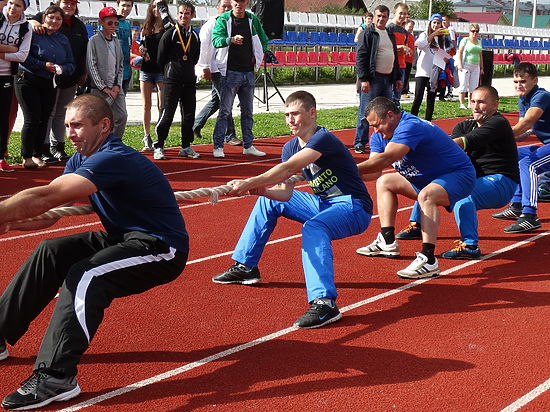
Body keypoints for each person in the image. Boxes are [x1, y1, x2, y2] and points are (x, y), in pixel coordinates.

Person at [0, 94, 189, 410]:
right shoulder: (79, 160)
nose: (70, 133)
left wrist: (4, 213)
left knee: (86, 274)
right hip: (123, 238)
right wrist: (11, 223)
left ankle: (56, 377)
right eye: (67, 126)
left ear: (104, 125)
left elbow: (47, 196)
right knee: (51, 251)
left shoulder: (113, 158)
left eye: (77, 126)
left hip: (161, 247)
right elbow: (51, 210)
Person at [212, 90, 372, 328]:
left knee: (314, 227)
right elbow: (284, 193)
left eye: (295, 114)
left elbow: (288, 169)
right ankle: (246, 266)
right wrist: (262, 191)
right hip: (323, 204)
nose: (290, 119)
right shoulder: (290, 146)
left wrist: (249, 182)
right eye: (287, 114)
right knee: (268, 201)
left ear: (312, 113)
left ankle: (324, 302)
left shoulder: (323, 138)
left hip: (353, 206)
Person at [355, 97, 475, 278]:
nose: (375, 130)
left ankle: (429, 260)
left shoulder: (410, 126)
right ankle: (387, 241)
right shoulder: (379, 135)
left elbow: (386, 159)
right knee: (384, 182)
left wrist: (347, 169)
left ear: (390, 116)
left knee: (427, 196)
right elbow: (374, 170)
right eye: (372, 126)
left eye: (377, 125)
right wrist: (344, 176)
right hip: (427, 180)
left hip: (459, 176)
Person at [394, 86, 520, 259]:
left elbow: (465, 142)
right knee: (431, 184)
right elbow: (450, 155)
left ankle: (470, 245)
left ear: (495, 105)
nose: (476, 106)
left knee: (464, 195)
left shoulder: (499, 123)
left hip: (502, 182)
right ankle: (417, 225)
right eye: (473, 101)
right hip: (473, 179)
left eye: (482, 102)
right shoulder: (463, 125)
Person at [492, 62, 550, 233]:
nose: (519, 85)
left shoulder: (541, 96)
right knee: (514, 154)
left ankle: (530, 215)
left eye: (523, 81)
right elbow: (523, 131)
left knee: (529, 164)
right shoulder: (523, 98)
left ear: (535, 80)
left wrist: (497, 135)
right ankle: (517, 204)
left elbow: (528, 122)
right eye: (516, 82)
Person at [15, 4, 74, 169]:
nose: (54, 21)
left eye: (58, 18)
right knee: (32, 118)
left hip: (49, 82)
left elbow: (71, 64)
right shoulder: (32, 32)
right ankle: (26, 156)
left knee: (44, 118)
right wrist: (43, 65)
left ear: (62, 22)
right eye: (51, 17)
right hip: (27, 79)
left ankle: (37, 154)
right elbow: (23, 56)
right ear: (44, 17)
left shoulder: (63, 39)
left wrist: (61, 69)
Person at [29, 0, 88, 163]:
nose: (69, 6)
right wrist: (33, 21)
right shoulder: (45, 18)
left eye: (73, 3)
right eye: (66, 2)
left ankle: (58, 146)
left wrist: (83, 71)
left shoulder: (79, 25)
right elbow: (29, 22)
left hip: (71, 75)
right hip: (47, 76)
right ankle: (44, 147)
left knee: (63, 113)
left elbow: (84, 50)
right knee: (49, 113)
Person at [210, 0, 269, 158]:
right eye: (236, 1)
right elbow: (215, 40)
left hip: (248, 72)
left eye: (242, 1)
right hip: (230, 73)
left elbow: (263, 39)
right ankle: (218, 146)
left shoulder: (252, 19)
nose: (239, 4)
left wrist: (261, 53)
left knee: (248, 112)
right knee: (225, 112)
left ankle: (248, 145)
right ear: (231, 2)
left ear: (247, 2)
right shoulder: (223, 20)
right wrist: (230, 40)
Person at [153, 1, 200, 160]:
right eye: (180, 13)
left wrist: (186, 69)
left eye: (187, 13)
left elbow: (194, 58)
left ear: (192, 15)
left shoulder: (195, 36)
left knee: (189, 115)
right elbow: (160, 58)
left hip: (188, 81)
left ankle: (186, 146)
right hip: (172, 80)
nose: (183, 16)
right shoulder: (171, 33)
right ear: (177, 14)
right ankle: (159, 145)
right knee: (167, 114)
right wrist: (169, 72)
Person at [354, 5, 401, 154]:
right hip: (372, 79)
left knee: (387, 113)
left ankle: (386, 140)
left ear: (388, 18)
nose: (381, 19)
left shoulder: (390, 34)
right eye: (378, 16)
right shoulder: (368, 33)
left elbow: (395, 57)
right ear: (374, 17)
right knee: (365, 112)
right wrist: (364, 79)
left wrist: (397, 78)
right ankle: (360, 142)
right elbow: (361, 57)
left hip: (388, 79)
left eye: (384, 16)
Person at [192, 0, 240, 147]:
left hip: (228, 67)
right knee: (226, 101)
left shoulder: (233, 22)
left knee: (216, 101)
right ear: (217, 8)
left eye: (228, 6)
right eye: (223, 6)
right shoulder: (210, 25)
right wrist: (204, 68)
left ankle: (194, 126)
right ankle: (229, 134)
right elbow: (204, 49)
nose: (226, 9)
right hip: (216, 69)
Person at [86, 6, 128, 139]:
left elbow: (120, 65)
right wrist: (103, 87)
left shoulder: (116, 41)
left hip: (115, 87)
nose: (113, 26)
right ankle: (98, 144)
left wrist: (117, 85)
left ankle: (115, 142)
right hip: (100, 89)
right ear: (101, 23)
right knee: (100, 119)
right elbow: (91, 65)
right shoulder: (94, 40)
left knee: (121, 116)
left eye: (116, 23)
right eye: (109, 23)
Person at [0, 0, 31, 173]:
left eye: (18, 5)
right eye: (11, 3)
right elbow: (16, 52)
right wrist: (10, 48)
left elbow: (22, 56)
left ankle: (1, 157)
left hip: (6, 75)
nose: (12, 7)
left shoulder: (26, 27)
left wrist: (6, 52)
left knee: (3, 118)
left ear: (24, 8)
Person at [139, 0, 166, 150]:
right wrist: (142, 51)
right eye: (154, 6)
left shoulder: (168, 26)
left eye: (159, 6)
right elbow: (142, 44)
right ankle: (147, 136)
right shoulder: (146, 26)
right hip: (146, 69)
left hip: (161, 70)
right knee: (146, 105)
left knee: (162, 105)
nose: (156, 9)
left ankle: (160, 136)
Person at [410, 13, 447, 122]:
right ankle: (412, 120)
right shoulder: (424, 34)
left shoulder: (441, 39)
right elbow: (421, 46)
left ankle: (428, 122)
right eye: (434, 23)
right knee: (418, 98)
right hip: (422, 72)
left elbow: (441, 54)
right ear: (430, 23)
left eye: (438, 23)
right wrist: (433, 35)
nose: (436, 25)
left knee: (431, 100)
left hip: (434, 73)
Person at [386, 2, 409, 108]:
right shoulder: (389, 28)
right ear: (395, 12)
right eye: (400, 13)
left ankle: (396, 118)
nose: (403, 16)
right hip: (391, 65)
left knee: (397, 95)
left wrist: (407, 50)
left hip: (402, 65)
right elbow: (386, 46)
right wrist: (400, 47)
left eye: (405, 14)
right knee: (390, 95)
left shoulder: (404, 31)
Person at [456, 23, 483, 110]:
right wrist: (460, 64)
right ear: (469, 31)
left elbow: (480, 55)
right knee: (463, 84)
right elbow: (460, 52)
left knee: (473, 86)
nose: (475, 33)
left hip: (476, 65)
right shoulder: (465, 40)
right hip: (466, 64)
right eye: (473, 31)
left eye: (477, 31)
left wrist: (481, 67)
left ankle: (470, 103)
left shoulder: (479, 42)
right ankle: (461, 103)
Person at [115, 0, 134, 95]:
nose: (126, 8)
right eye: (123, 5)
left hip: (126, 73)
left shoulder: (127, 24)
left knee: (120, 107)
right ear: (117, 5)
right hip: (113, 74)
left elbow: (128, 46)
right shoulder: (111, 22)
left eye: (128, 6)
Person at [442, 15, 456, 99]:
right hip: (443, 54)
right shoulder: (443, 30)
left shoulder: (450, 30)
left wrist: (452, 51)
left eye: (445, 20)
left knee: (449, 72)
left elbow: (452, 42)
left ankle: (449, 91)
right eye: (442, 20)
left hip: (448, 54)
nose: (443, 22)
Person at [401, 19, 415, 98]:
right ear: (405, 26)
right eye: (410, 26)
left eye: (412, 27)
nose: (411, 28)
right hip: (404, 59)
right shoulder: (404, 35)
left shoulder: (411, 36)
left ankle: (405, 90)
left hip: (409, 59)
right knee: (403, 75)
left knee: (406, 75)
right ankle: (402, 91)